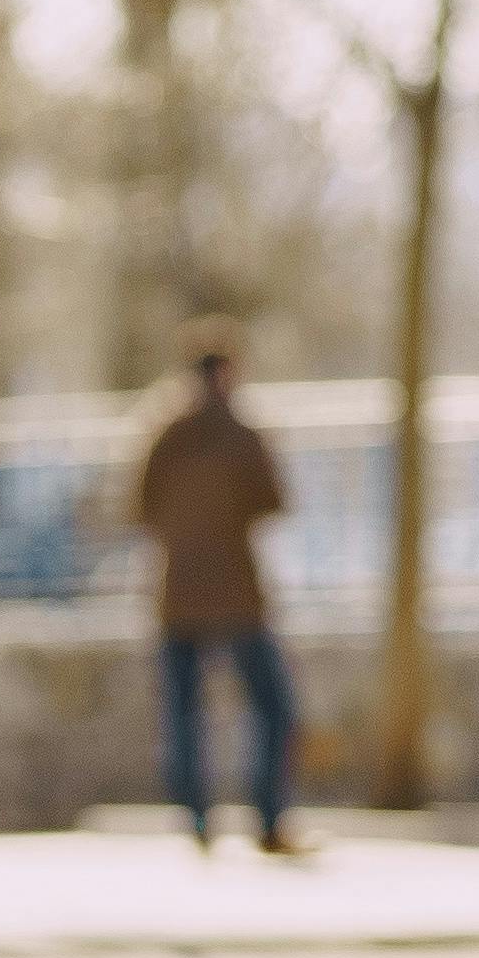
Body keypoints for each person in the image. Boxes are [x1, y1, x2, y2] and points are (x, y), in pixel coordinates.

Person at [133, 320, 305, 855]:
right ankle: (269, 817)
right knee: (273, 706)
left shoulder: (164, 433)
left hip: (178, 591)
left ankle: (198, 820)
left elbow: (137, 507)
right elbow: (276, 501)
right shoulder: (241, 433)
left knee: (185, 714)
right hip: (235, 591)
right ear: (228, 373)